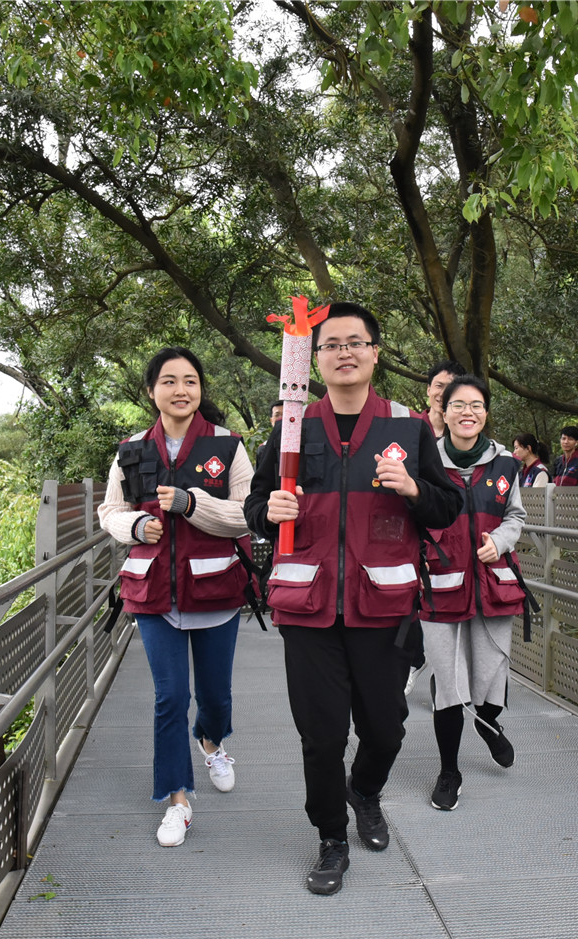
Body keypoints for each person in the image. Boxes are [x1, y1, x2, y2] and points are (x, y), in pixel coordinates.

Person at [246, 301, 462, 895]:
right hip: (308, 606)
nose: (344, 352)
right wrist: (268, 511)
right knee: (320, 734)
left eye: (355, 342)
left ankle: (364, 790)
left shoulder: (408, 427)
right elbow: (255, 507)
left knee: (386, 727)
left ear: (374, 352)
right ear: (314, 359)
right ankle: (331, 837)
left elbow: (448, 510)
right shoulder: (293, 426)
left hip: (383, 606)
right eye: (331, 344)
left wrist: (416, 487)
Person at [98, 347, 254, 848]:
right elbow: (110, 511)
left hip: (214, 589)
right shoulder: (132, 450)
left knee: (214, 696)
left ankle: (212, 741)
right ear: (151, 391)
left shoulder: (228, 447)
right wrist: (134, 525)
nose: (181, 389)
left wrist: (192, 504)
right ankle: (177, 799)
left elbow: (248, 515)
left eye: (190, 380)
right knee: (170, 698)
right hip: (153, 592)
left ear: (201, 389)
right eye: (169, 381)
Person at [420, 375, 527, 811]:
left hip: (491, 587)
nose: (468, 412)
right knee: (448, 686)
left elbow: (515, 516)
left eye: (477, 405)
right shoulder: (425, 463)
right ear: (442, 411)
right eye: (458, 404)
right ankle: (449, 771)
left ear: (486, 412)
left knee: (489, 680)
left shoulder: (505, 464)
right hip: (441, 589)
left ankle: (487, 724)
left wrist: (499, 541)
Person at [424, 360, 467, 439]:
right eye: (439, 386)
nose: (443, 394)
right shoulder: (413, 426)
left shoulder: (465, 431)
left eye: (450, 388)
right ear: (428, 390)